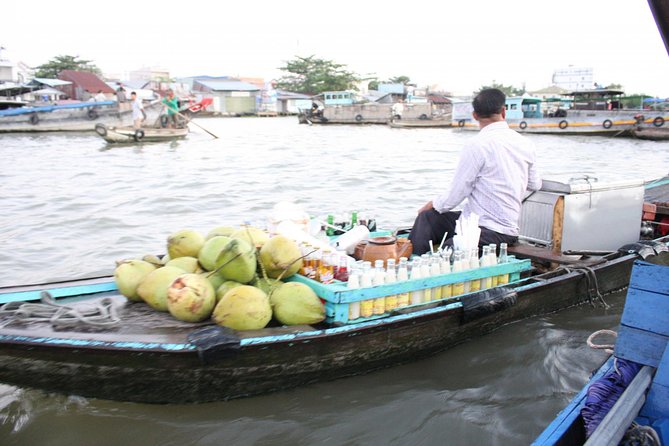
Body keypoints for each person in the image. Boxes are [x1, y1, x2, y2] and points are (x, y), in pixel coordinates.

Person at [408, 88, 542, 255]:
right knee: (429, 218)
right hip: (477, 222)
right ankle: (417, 262)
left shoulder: (476, 145)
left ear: (475, 115)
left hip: (496, 232)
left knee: (437, 229)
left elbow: (458, 192)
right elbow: (535, 184)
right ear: (503, 111)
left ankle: (415, 264)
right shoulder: (526, 144)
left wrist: (432, 204)